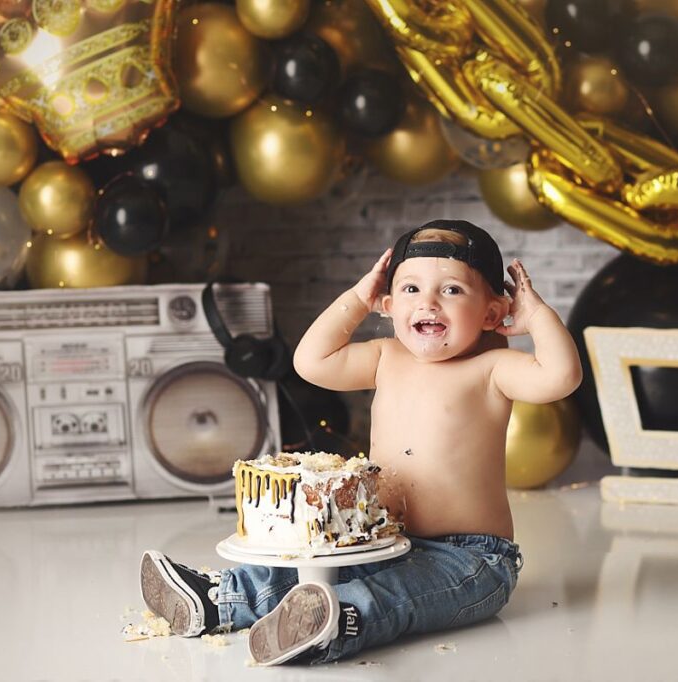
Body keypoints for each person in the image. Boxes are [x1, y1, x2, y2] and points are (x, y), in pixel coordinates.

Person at [139, 219, 582, 665]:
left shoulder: (492, 368)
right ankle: (217, 599)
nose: (427, 302)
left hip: (469, 558)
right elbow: (311, 361)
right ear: (387, 304)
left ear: (491, 312)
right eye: (410, 289)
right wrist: (356, 300)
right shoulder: (387, 356)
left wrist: (536, 316)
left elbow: (562, 376)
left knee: (393, 593)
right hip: (378, 540)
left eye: (450, 291)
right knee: (307, 568)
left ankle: (333, 622)